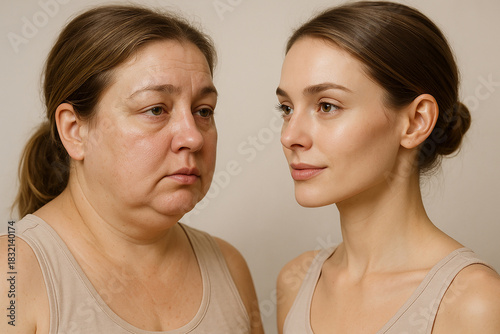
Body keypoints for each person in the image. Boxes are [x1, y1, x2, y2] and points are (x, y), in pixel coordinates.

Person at [0, 5, 263, 334]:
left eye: (203, 110)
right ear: (74, 130)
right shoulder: (10, 274)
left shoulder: (230, 268)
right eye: (156, 109)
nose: (193, 137)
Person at [275, 1, 500, 333]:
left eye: (327, 106)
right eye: (286, 107)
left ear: (415, 122)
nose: (290, 135)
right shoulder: (295, 283)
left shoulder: (474, 302)